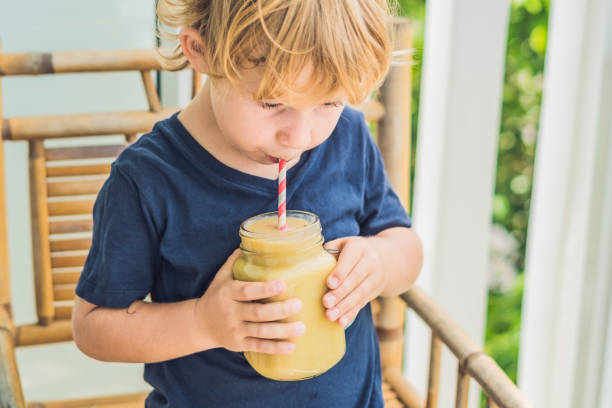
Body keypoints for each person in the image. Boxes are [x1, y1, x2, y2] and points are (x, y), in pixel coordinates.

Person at [72, 0, 423, 406]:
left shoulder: (347, 137)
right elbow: (93, 328)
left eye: (330, 102)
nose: (300, 136)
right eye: (273, 103)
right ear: (199, 51)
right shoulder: (147, 180)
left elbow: (406, 249)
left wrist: (380, 262)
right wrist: (202, 323)